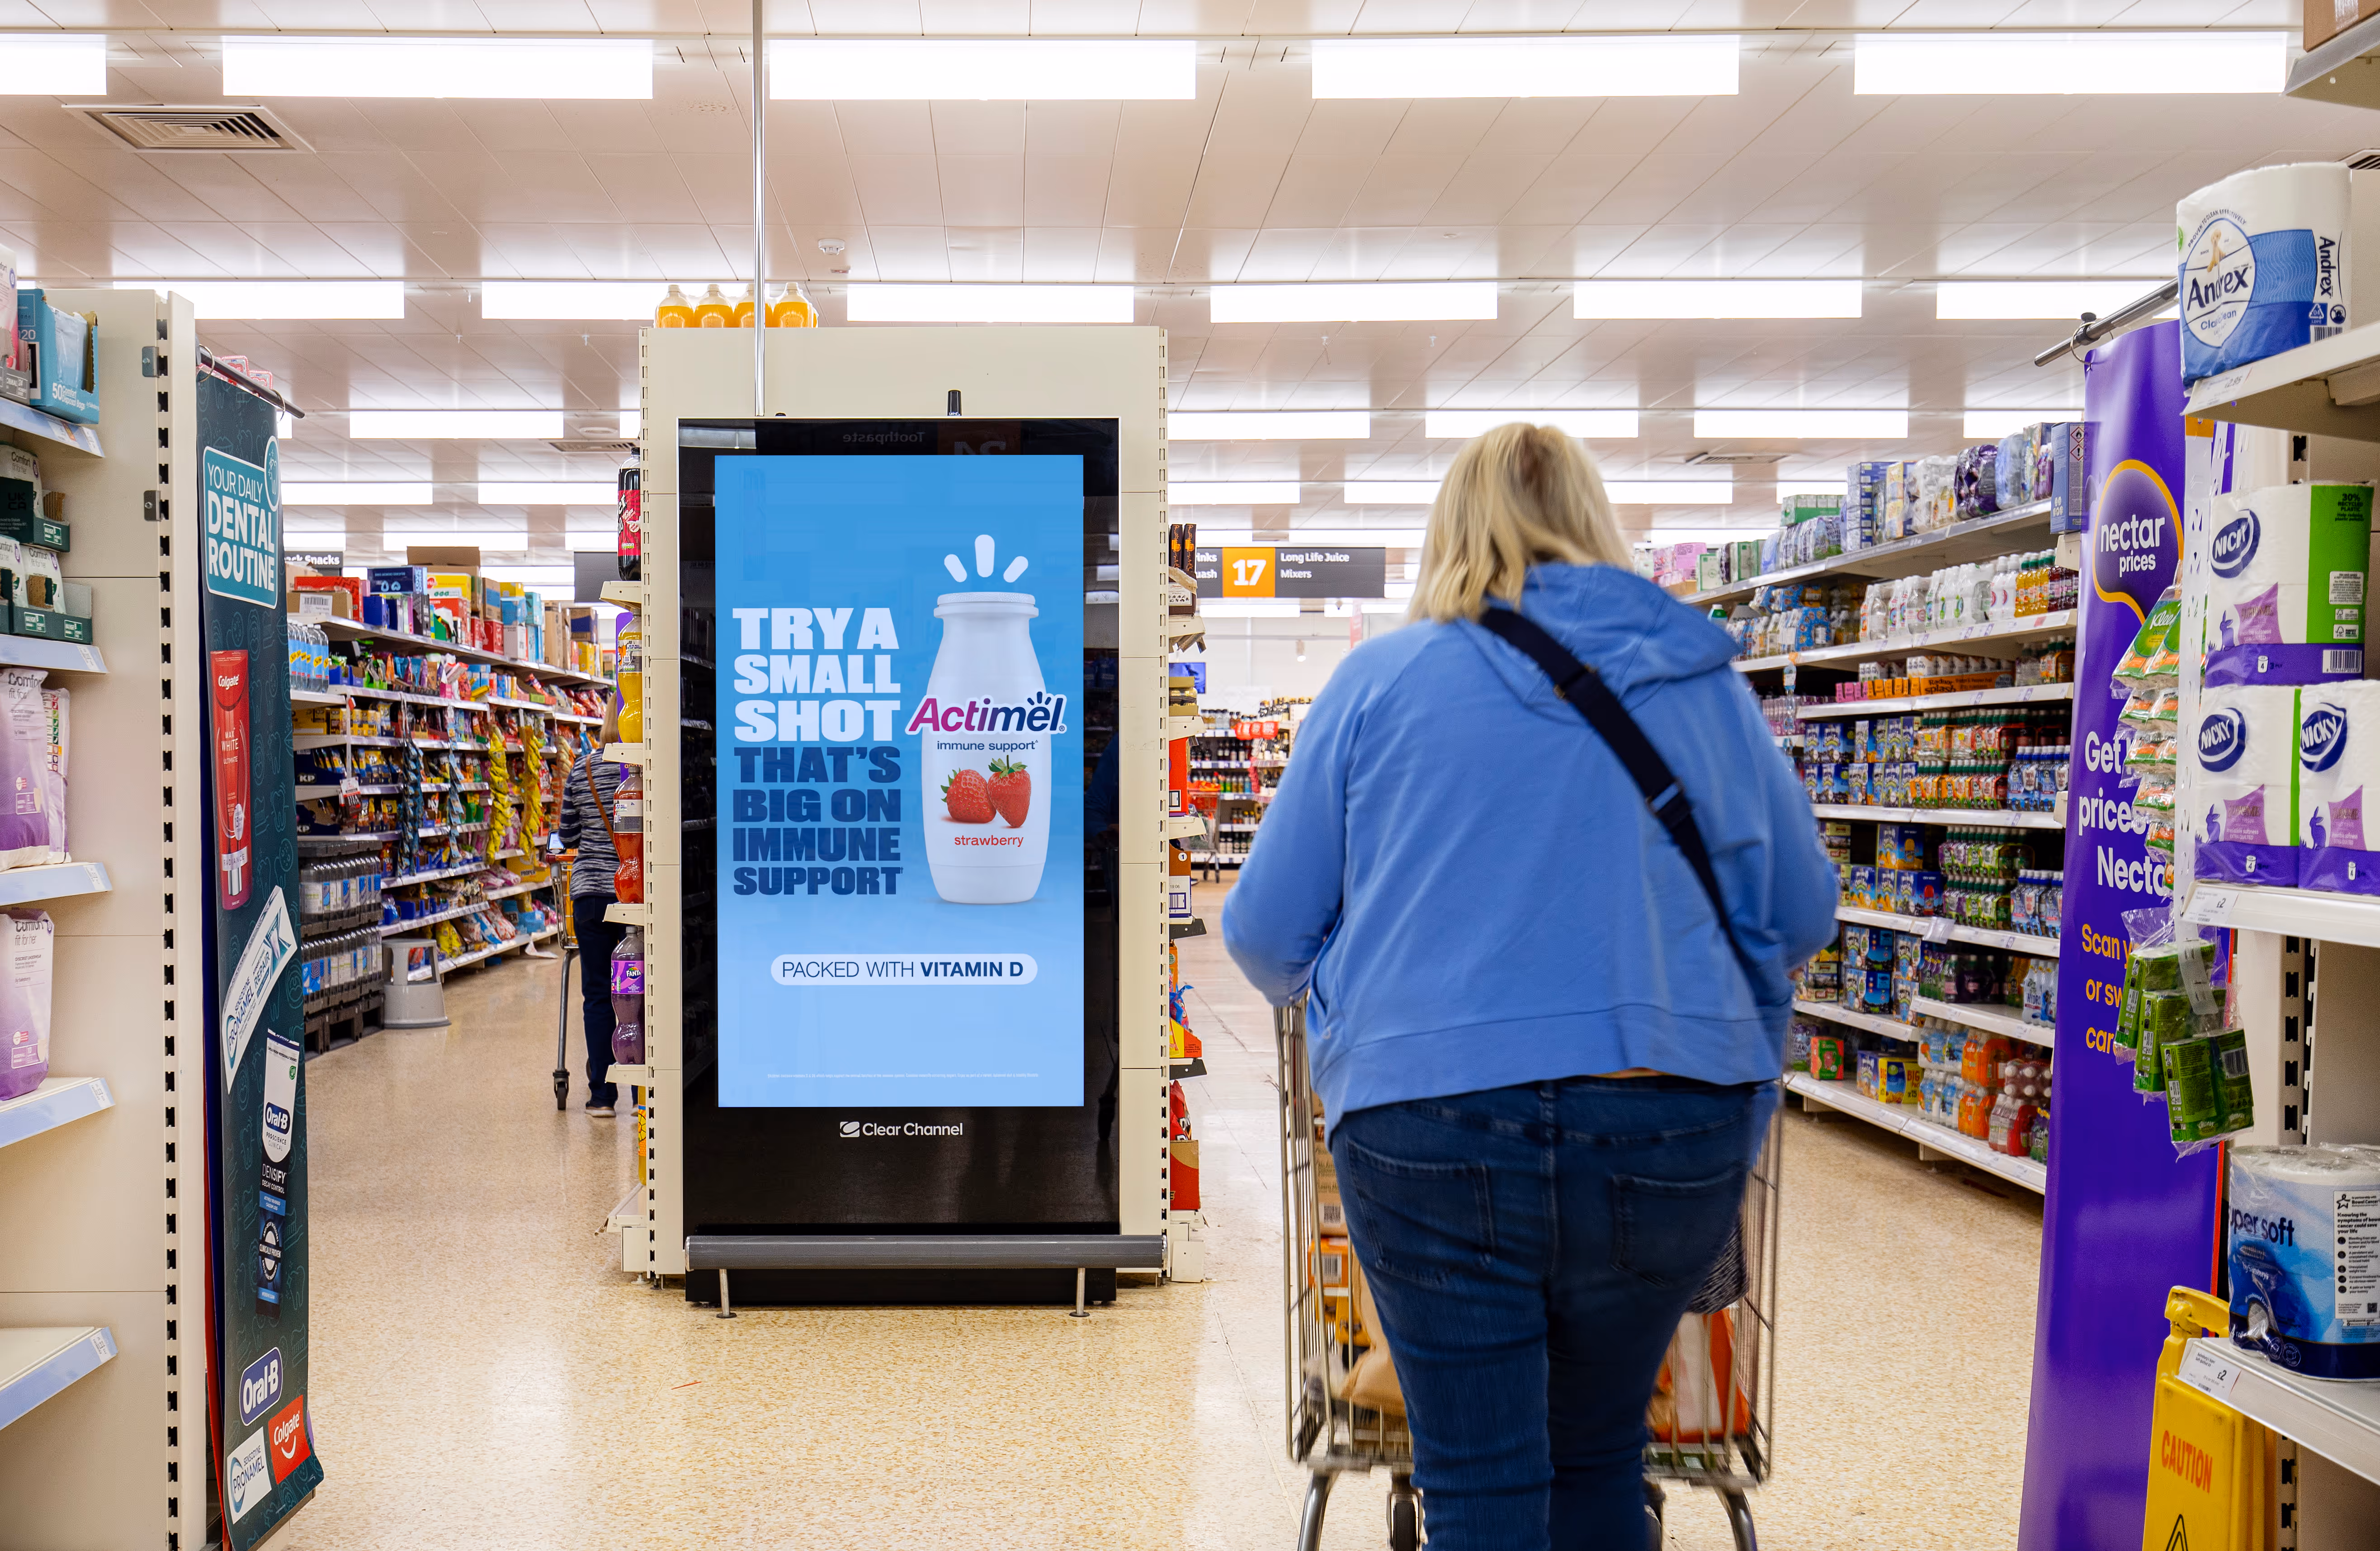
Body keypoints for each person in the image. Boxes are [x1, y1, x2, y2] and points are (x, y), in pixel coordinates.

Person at [1223, 423, 1838, 1551]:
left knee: (1480, 1484)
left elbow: (1263, 937)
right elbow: (1803, 917)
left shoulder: (1377, 684)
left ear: (1447, 533)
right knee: (1598, 1456)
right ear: (1598, 525)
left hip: (1427, 1127)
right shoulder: (1702, 677)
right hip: (1669, 1123)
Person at [554, 697, 628, 1117]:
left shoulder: (582, 769)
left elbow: (567, 834)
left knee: (598, 994)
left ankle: (602, 1095)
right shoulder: (643, 769)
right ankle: (643, 1095)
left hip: (590, 897)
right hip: (633, 896)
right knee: (639, 993)